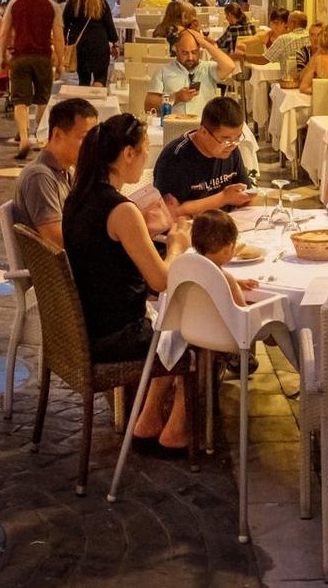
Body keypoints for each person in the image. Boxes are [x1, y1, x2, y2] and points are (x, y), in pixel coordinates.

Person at [60, 114, 192, 445]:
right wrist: (177, 244)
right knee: (202, 333)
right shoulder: (121, 209)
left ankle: (148, 418)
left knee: (175, 323)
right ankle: (177, 429)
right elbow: (161, 281)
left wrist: (144, 233)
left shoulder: (79, 197)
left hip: (88, 324)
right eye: (145, 149)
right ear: (128, 154)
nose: (147, 157)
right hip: (117, 333)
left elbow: (102, 247)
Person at [151, 96, 255, 221]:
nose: (232, 145)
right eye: (225, 139)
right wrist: (223, 198)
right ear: (203, 132)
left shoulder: (231, 150)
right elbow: (169, 212)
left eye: (237, 138)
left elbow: (247, 196)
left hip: (224, 227)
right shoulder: (176, 157)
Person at [14, 96, 97, 247]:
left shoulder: (67, 171)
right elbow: (56, 241)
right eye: (84, 138)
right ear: (58, 134)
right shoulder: (40, 177)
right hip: (56, 268)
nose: (91, 146)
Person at [2, 0, 60, 159]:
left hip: (20, 57)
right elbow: (58, 38)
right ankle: (39, 136)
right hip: (43, 57)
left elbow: (5, 32)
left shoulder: (15, 3)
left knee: (20, 100)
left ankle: (24, 138)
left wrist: (2, 55)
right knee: (42, 99)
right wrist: (59, 60)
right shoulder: (52, 5)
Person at [144, 28, 239, 117]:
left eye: (194, 52)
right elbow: (149, 107)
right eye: (185, 53)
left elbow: (230, 66)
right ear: (176, 50)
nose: (190, 58)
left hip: (203, 127)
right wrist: (176, 97)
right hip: (173, 127)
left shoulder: (208, 68)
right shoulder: (163, 71)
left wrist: (204, 43)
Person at [63, 0, 119, 86]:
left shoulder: (72, 3)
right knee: (101, 77)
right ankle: (98, 97)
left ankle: (85, 101)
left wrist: (65, 43)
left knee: (83, 79)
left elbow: (65, 25)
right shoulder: (102, 4)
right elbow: (110, 27)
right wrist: (115, 44)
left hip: (80, 45)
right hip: (99, 44)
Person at [190, 210, 254, 306]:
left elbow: (210, 280)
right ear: (228, 249)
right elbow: (243, 311)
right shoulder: (227, 279)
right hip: (223, 321)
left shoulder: (192, 270)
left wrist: (237, 281)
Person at [269, 11, 312, 81]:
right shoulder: (311, 37)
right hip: (309, 79)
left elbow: (265, 59)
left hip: (290, 81)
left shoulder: (283, 39)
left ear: (293, 23)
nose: (287, 25)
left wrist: (246, 57)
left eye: (288, 21)